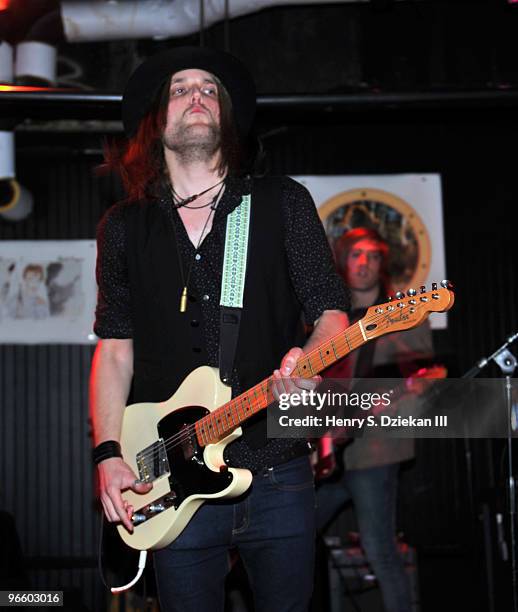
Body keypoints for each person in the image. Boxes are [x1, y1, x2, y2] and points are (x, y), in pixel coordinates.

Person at [89, 46, 349, 612]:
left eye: (209, 89)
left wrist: (304, 365)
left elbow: (331, 313)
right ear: (158, 120)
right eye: (181, 89)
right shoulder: (124, 228)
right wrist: (107, 452)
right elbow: (113, 350)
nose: (197, 96)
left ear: (225, 116)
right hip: (169, 474)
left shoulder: (282, 202)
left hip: (277, 466)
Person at [316, 227, 433, 612]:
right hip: (323, 451)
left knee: (380, 548)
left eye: (373, 255)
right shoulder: (327, 321)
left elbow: (425, 374)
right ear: (342, 260)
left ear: (382, 264)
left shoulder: (403, 315)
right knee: (285, 538)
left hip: (374, 450)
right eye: (355, 254)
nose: (364, 263)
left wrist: (397, 400)